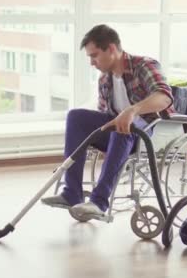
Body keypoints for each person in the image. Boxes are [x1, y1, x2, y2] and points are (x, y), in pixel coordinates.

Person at [41, 24, 174, 220]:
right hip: (118, 134)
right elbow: (104, 116)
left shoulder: (144, 65)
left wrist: (132, 110)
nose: (92, 62)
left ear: (111, 49)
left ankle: (99, 202)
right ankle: (71, 193)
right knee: (75, 117)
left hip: (144, 132)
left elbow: (164, 97)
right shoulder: (105, 80)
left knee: (122, 127)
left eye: (94, 56)